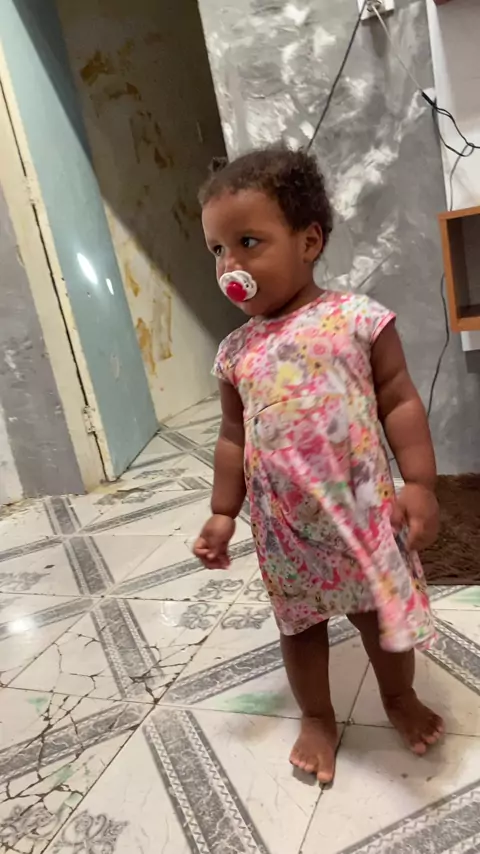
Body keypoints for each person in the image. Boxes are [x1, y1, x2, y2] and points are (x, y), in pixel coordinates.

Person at [193, 145, 443, 784]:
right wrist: (223, 512)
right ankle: (317, 716)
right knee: (300, 629)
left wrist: (419, 483)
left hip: (362, 518)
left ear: (308, 241)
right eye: (218, 250)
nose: (230, 267)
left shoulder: (358, 320)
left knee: (379, 618)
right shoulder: (234, 352)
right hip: (285, 531)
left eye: (248, 242)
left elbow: (399, 400)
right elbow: (232, 436)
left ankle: (398, 697)